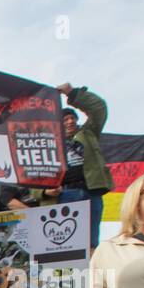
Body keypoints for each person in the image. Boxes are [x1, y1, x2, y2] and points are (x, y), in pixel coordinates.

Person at [44, 83, 111, 249]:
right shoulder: (48, 142)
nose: (70, 121)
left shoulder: (88, 133)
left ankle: (90, 273)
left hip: (90, 192)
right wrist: (43, 191)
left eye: (72, 118)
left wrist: (72, 93)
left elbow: (99, 108)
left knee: (91, 242)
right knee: (65, 245)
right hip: (64, 194)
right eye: (65, 119)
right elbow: (33, 173)